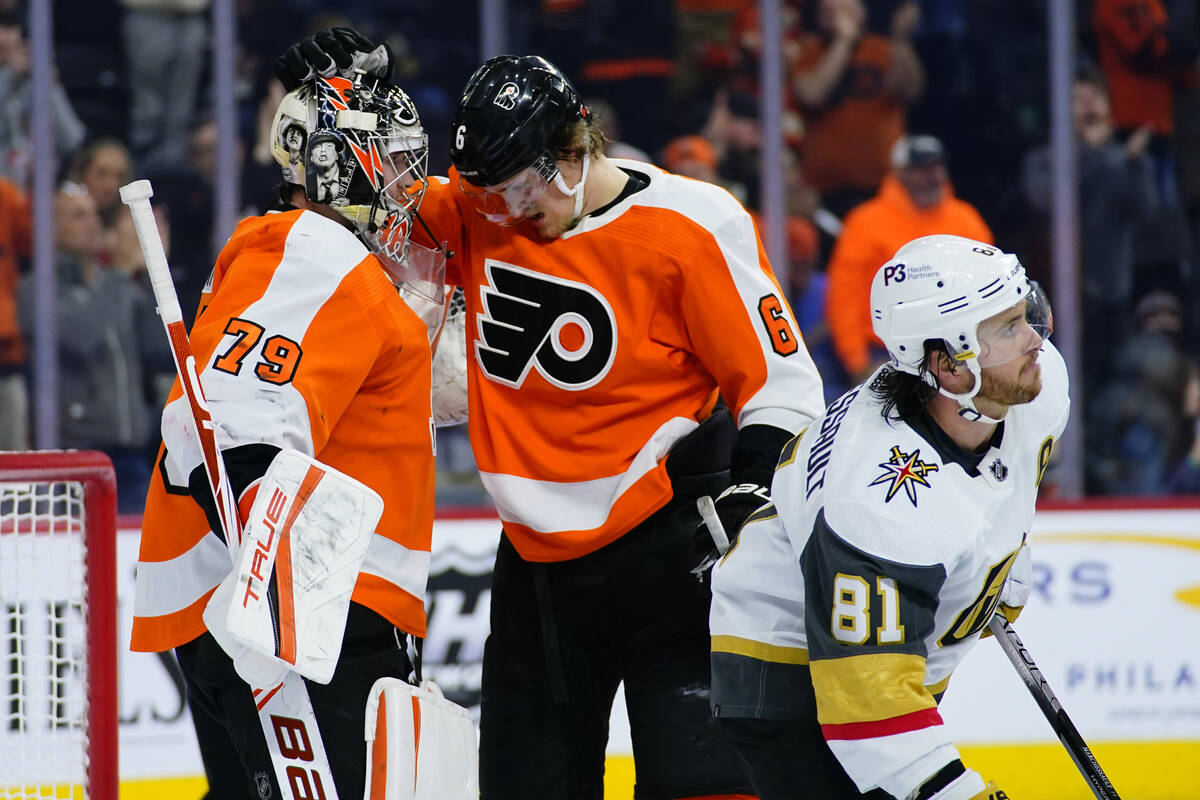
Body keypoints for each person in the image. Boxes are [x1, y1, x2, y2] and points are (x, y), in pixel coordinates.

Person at [274, 31, 826, 800]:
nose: (501, 207)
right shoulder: (479, 206)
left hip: (676, 554)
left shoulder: (691, 224)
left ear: (572, 149)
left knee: (704, 786)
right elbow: (359, 204)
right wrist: (331, 97)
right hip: (535, 573)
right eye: (487, 188)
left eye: (517, 186)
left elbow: (781, 383)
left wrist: (753, 489)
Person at [129, 70, 447, 799]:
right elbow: (227, 423)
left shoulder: (314, 256)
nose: (407, 181)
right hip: (312, 618)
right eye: (390, 157)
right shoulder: (313, 252)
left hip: (289, 612)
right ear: (339, 163)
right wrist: (276, 599)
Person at [708, 234, 1070, 800]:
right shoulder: (879, 504)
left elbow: (1001, 487)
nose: (1034, 340)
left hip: (890, 647)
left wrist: (1002, 570)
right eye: (1006, 328)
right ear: (947, 367)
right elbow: (870, 714)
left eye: (1025, 314)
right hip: (786, 662)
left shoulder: (1034, 388)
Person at [825, 134, 993, 383]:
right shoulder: (865, 223)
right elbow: (845, 297)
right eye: (921, 169)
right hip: (884, 354)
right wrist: (857, 362)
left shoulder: (966, 220)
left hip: (958, 350)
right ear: (900, 173)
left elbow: (989, 288)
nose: (932, 177)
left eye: (937, 168)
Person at [789, 0, 924, 217]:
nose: (839, 17)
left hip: (882, 185)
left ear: (861, 13)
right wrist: (844, 41)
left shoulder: (882, 49)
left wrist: (900, 39)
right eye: (829, 10)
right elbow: (812, 95)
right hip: (824, 187)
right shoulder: (809, 52)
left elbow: (911, 90)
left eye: (846, 9)